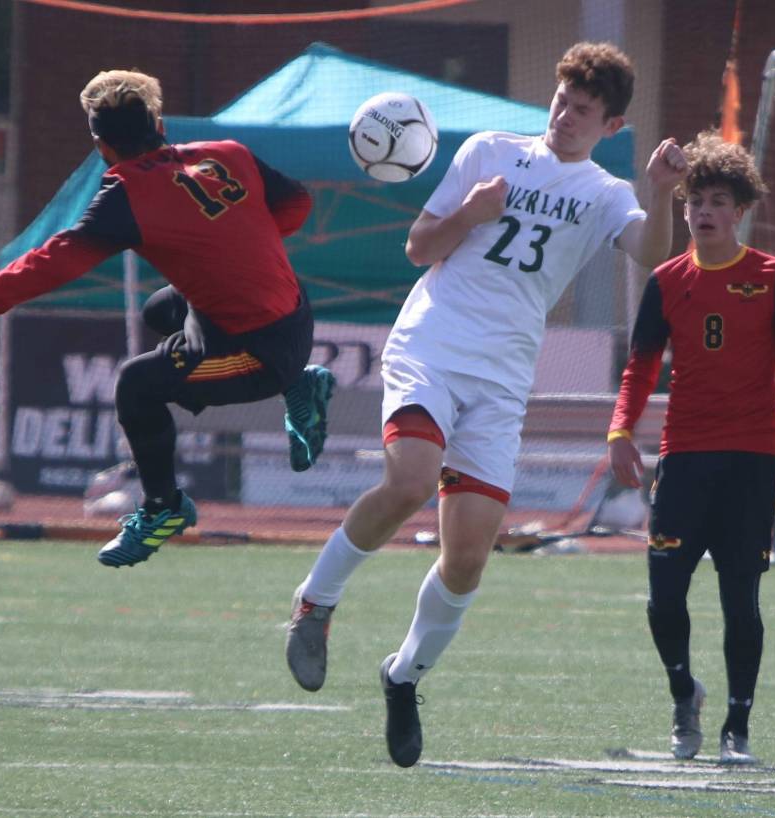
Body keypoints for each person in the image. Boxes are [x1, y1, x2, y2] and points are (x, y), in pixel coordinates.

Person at [286, 42, 688, 768]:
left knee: (468, 559)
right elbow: (419, 247)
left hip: (502, 378)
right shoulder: (488, 152)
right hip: (432, 347)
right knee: (410, 480)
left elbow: (654, 255)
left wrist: (661, 193)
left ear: (613, 125)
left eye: (583, 110)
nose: (565, 116)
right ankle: (316, 602)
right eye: (561, 100)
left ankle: (403, 675)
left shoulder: (605, 191)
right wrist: (469, 213)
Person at [0, 69, 335, 567]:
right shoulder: (227, 152)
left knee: (136, 384)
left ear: (101, 145)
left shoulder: (126, 194)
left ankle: (164, 507)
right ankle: (300, 384)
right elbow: (298, 204)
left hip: (262, 353)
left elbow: (46, 265)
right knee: (160, 309)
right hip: (293, 308)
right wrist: (237, 246)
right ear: (159, 124)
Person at [607, 130, 775, 764]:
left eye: (717, 201)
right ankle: (684, 694)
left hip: (752, 463)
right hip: (684, 459)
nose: (703, 211)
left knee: (740, 601)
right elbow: (640, 368)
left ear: (740, 210)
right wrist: (621, 430)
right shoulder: (665, 281)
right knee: (663, 598)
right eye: (694, 200)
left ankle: (737, 727)